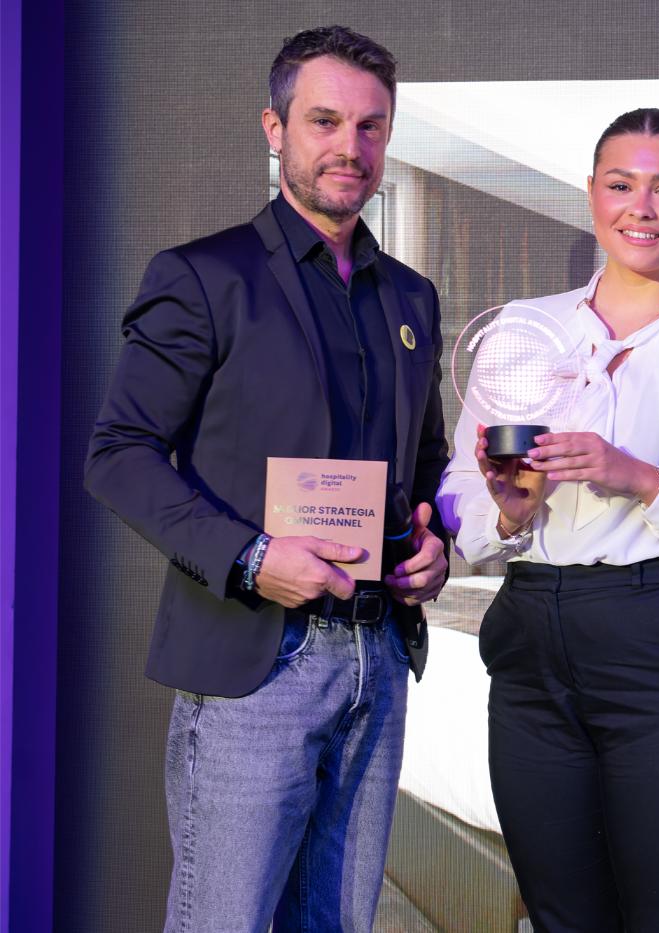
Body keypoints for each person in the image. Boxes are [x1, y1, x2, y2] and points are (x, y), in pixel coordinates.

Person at [84, 26, 449, 931]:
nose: (350, 146)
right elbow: (119, 453)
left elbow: (425, 464)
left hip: (376, 659)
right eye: (325, 121)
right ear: (275, 128)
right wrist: (252, 556)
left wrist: (434, 542)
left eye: (371, 126)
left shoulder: (410, 296)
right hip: (256, 658)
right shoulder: (205, 277)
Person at [437, 108, 659, 932]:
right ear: (591, 195)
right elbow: (462, 496)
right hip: (533, 639)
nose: (642, 207)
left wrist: (638, 478)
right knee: (561, 916)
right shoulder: (522, 331)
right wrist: (507, 509)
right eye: (621, 185)